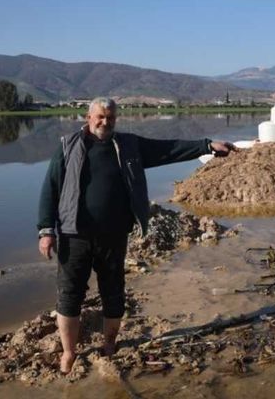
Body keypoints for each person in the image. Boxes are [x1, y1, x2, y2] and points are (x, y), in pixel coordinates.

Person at [37, 97, 234, 373]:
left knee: (114, 293)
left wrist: (207, 146)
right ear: (88, 117)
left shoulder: (128, 145)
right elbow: (50, 189)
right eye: (101, 117)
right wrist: (46, 231)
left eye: (111, 118)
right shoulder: (67, 146)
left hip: (114, 236)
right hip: (74, 235)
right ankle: (69, 352)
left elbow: (168, 150)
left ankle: (109, 344)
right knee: (69, 296)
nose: (106, 122)